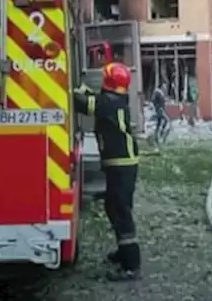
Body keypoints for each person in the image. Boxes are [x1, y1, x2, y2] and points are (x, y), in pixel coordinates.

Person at [73, 62, 141, 281]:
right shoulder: (114, 100)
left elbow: (86, 103)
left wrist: (68, 89)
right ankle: (123, 252)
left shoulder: (110, 103)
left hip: (122, 165)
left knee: (120, 211)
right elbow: (94, 98)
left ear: (109, 82)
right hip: (120, 164)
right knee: (113, 206)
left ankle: (131, 265)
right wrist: (81, 88)